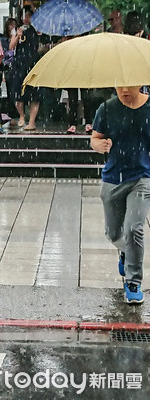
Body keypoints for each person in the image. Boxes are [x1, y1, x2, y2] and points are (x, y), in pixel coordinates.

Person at [90, 85, 150, 304]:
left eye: (130, 83)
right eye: (120, 83)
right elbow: (94, 139)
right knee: (114, 233)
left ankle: (133, 281)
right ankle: (126, 251)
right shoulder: (106, 108)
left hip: (142, 178)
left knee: (134, 228)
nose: (124, 89)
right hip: (113, 178)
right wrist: (101, 145)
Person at [8, 6, 40, 130]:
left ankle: (32, 121)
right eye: (24, 16)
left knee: (34, 95)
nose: (26, 18)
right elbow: (11, 47)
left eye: (28, 15)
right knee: (17, 91)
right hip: (19, 64)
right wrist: (17, 35)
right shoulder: (16, 30)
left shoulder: (36, 30)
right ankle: (21, 116)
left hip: (33, 64)